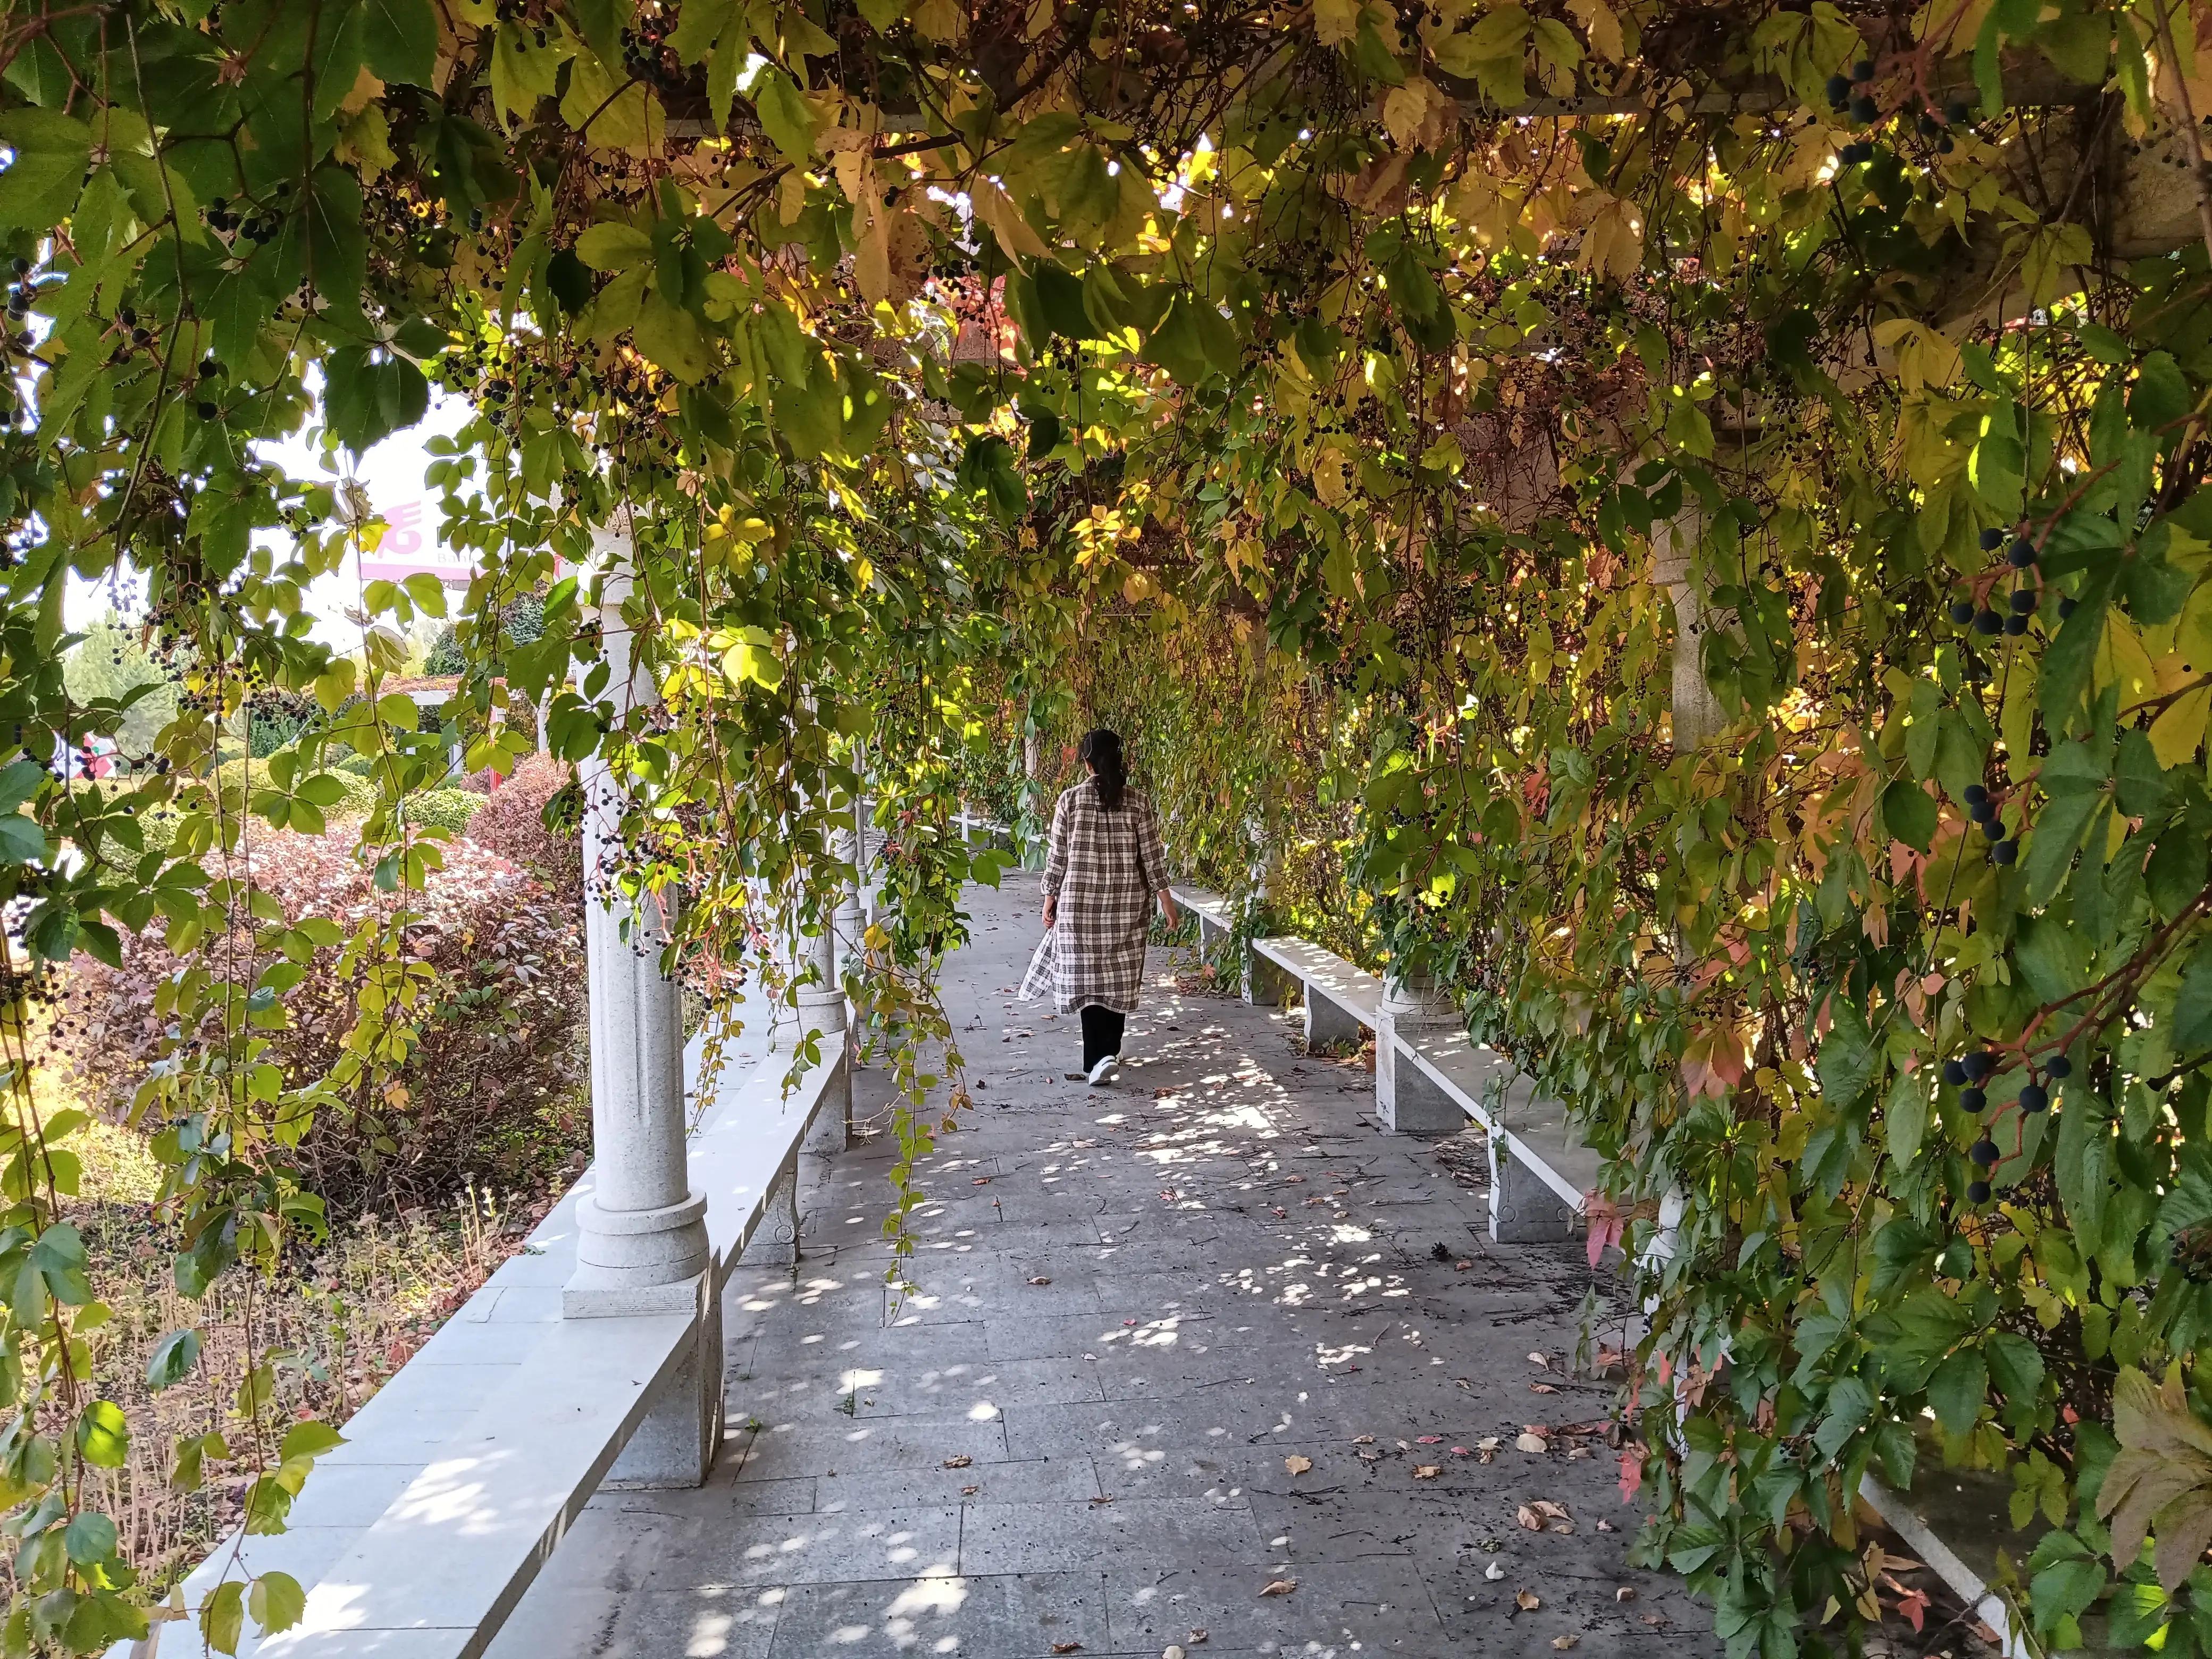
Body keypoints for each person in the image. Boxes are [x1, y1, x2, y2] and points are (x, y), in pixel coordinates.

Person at [1019, 728, 1179, 1085]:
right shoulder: (1138, 802)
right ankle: (1109, 1052)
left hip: (1079, 907)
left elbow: (1057, 857)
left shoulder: (1070, 800)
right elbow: (1152, 858)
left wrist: (1049, 898)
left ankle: (1098, 1059)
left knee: (1088, 981)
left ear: (1087, 763)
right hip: (1127, 906)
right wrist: (1166, 902)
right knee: (1118, 980)